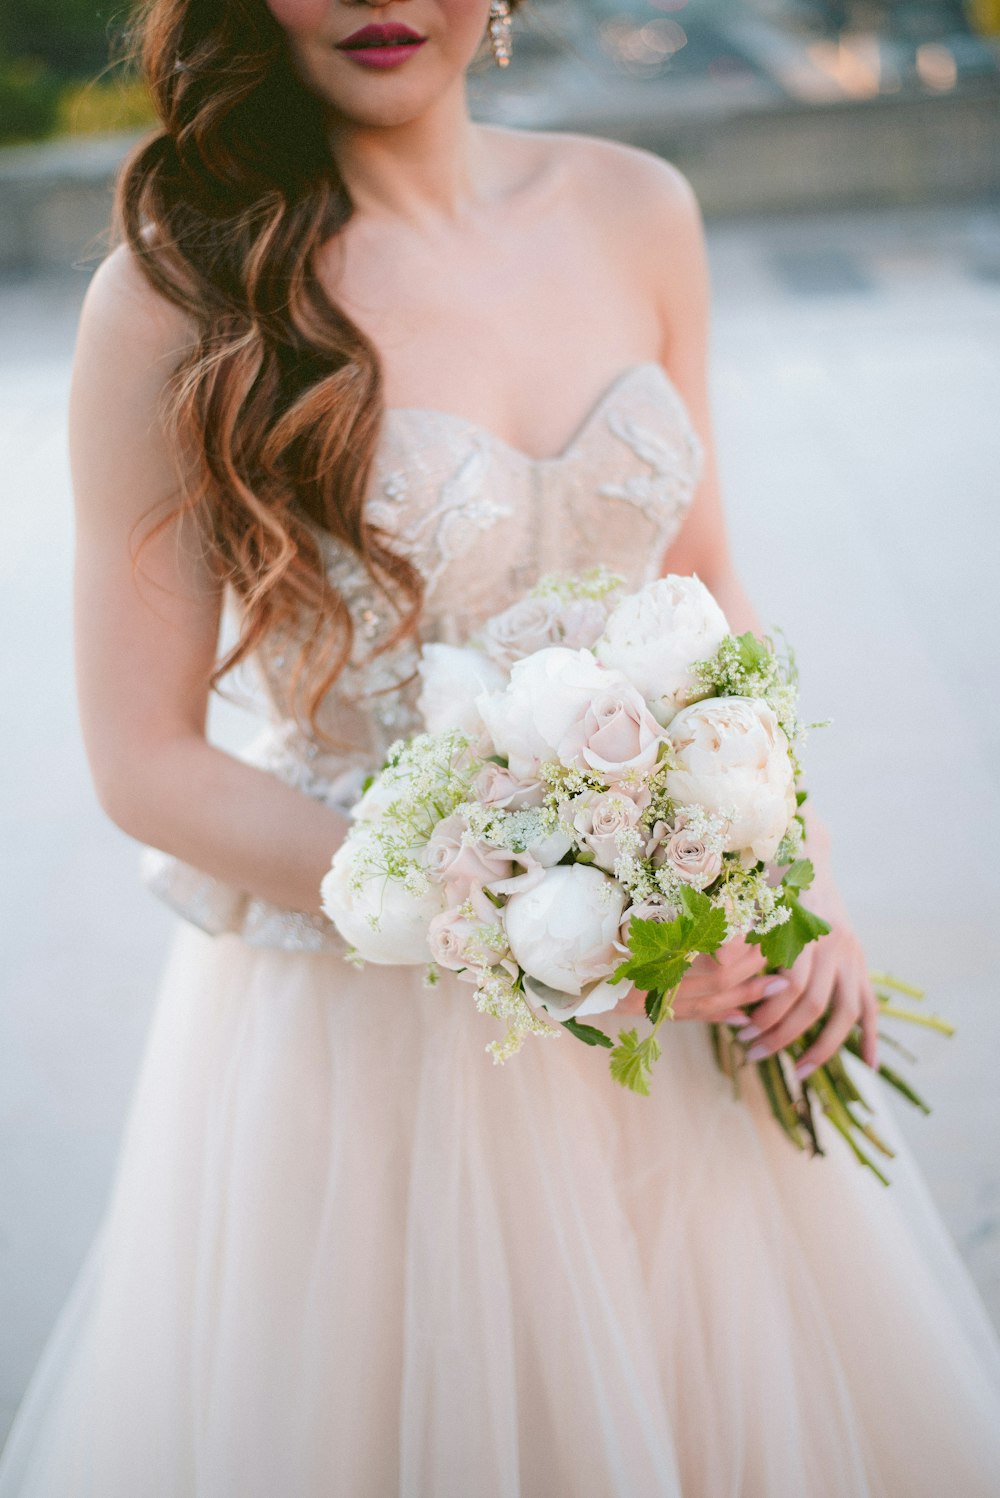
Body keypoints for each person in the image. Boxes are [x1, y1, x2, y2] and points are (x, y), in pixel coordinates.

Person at [2, 2, 1000, 1493]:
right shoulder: (174, 302)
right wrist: (520, 920)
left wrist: (804, 876)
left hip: (680, 995)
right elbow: (144, 760)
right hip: (367, 1032)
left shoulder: (636, 206)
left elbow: (704, 583)